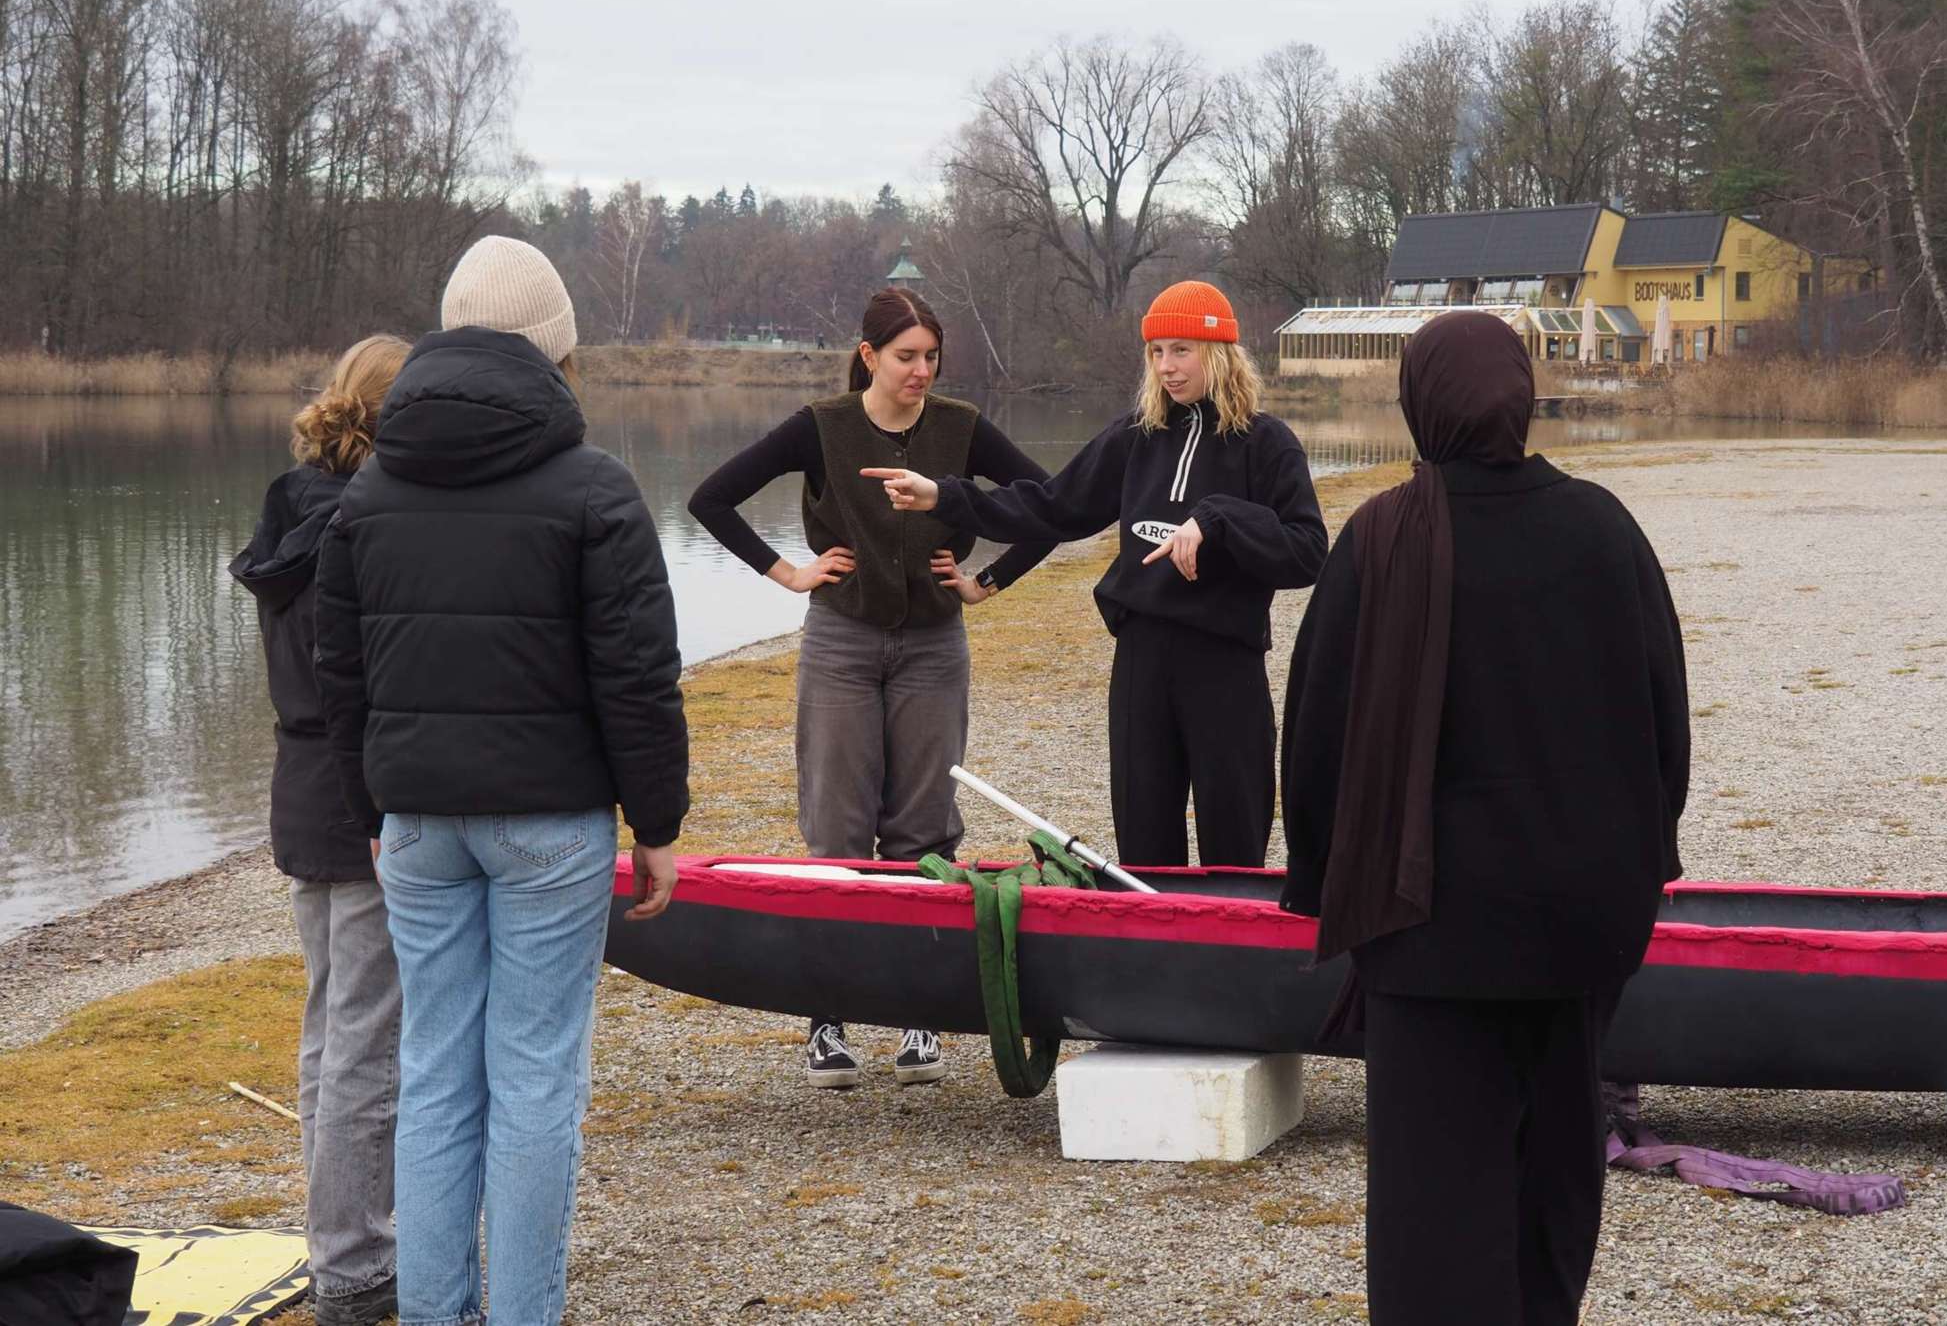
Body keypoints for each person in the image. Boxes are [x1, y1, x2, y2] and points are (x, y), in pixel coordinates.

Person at [1278, 312, 1689, 1326]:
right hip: (1580, 925)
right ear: (1520, 396)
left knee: (1435, 1200)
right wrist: (1640, 864)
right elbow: (1661, 724)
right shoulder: (1603, 529)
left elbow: (1316, 734)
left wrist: (1324, 882)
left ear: (1418, 403)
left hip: (1428, 934)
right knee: (1555, 1170)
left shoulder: (1380, 540)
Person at [315, 236, 688, 1326]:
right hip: (548, 828)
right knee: (531, 1083)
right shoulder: (596, 487)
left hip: (418, 825)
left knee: (434, 1074)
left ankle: (438, 1313)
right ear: (555, 353)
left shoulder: (369, 490)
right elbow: (638, 673)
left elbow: (344, 672)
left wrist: (369, 807)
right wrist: (656, 822)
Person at [688, 286, 1055, 1088]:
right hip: (840, 644)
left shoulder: (961, 428)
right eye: (905, 356)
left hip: (934, 647)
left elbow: (1048, 508)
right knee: (838, 831)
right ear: (868, 356)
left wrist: (985, 580)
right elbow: (708, 498)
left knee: (924, 834)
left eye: (931, 357)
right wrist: (788, 571)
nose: (921, 371)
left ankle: (918, 1013)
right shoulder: (821, 428)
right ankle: (828, 1018)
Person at [866, 280, 1326, 870]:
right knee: (1143, 843)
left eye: (1182, 350)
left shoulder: (1266, 444)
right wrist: (946, 497)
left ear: (1220, 353)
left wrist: (1219, 519)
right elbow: (1052, 506)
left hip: (1225, 666)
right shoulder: (1135, 438)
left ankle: (1228, 952)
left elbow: (1308, 551)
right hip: (1141, 661)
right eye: (1156, 352)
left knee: (1234, 842)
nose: (1167, 367)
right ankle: (1145, 953)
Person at [228, 333, 408, 1326]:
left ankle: (339, 1235)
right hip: (357, 797)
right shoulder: (364, 526)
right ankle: (353, 1265)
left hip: (300, 787)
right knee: (366, 1041)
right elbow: (362, 684)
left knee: (330, 1026)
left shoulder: (286, 511)